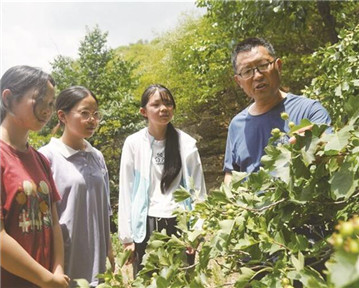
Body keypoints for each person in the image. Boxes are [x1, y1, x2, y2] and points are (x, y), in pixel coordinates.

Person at [118, 84, 207, 277]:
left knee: (182, 279)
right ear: (144, 111)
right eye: (156, 104)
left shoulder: (187, 143)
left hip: (180, 225)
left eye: (168, 104)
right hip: (145, 224)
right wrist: (127, 237)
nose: (163, 109)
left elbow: (198, 190)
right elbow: (127, 189)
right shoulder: (133, 144)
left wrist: (197, 232)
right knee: (147, 279)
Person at [224, 37, 331, 185]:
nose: (257, 75)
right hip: (252, 207)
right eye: (247, 71)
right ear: (238, 81)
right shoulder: (237, 125)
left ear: (278, 66)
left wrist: (317, 145)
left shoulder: (309, 111)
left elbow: (333, 153)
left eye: (263, 65)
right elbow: (231, 173)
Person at [0, 65, 70, 287]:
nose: (47, 110)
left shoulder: (41, 160)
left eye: (50, 103)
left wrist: (58, 271)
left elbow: (54, 222)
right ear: (8, 98)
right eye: (39, 100)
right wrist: (47, 279)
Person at [39, 86, 114, 287]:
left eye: (95, 114)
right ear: (62, 116)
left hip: (97, 260)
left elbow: (104, 208)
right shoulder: (47, 157)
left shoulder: (96, 156)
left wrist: (109, 248)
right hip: (64, 261)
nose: (92, 120)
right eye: (84, 113)